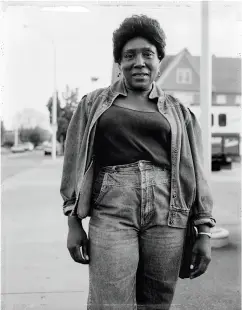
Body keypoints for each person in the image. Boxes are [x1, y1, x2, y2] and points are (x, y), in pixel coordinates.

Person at [60, 14, 216, 310]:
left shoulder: (179, 112)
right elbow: (74, 163)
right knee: (110, 303)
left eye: (148, 54)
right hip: (112, 213)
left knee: (156, 303)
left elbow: (197, 172)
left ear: (159, 60)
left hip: (169, 215)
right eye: (129, 55)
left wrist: (204, 230)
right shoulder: (93, 104)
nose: (139, 62)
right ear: (119, 62)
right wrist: (73, 221)